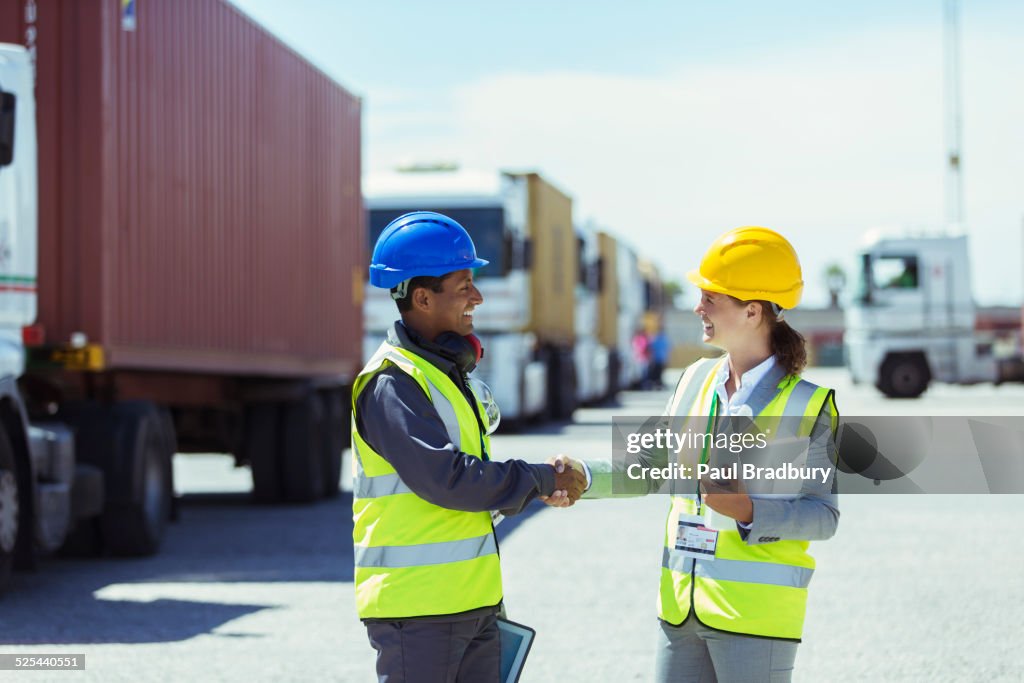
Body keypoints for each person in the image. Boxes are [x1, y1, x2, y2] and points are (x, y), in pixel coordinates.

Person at [553, 226, 839, 682]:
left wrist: (748, 512)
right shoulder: (693, 381)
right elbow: (645, 468)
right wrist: (583, 476)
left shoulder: (809, 405)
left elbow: (823, 516)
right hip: (680, 609)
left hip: (754, 618)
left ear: (751, 310)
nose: (697, 307)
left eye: (711, 297)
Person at [353, 211, 587, 683]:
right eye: (464, 286)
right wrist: (540, 478)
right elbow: (449, 480)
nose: (477, 297)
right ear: (422, 297)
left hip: (470, 601)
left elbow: (463, 494)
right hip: (421, 611)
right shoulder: (392, 385)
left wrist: (532, 487)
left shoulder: (440, 374)